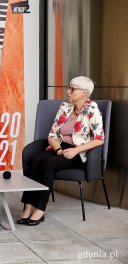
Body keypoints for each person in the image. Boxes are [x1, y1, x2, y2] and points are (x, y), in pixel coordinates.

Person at [18, 76, 104, 226]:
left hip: (78, 152)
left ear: (84, 93)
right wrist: (58, 149)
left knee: (47, 163)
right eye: (69, 88)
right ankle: (28, 206)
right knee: (36, 160)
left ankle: (39, 209)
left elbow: (99, 139)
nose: (68, 92)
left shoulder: (92, 109)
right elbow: (52, 134)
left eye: (72, 89)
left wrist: (75, 150)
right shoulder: (65, 107)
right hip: (59, 147)